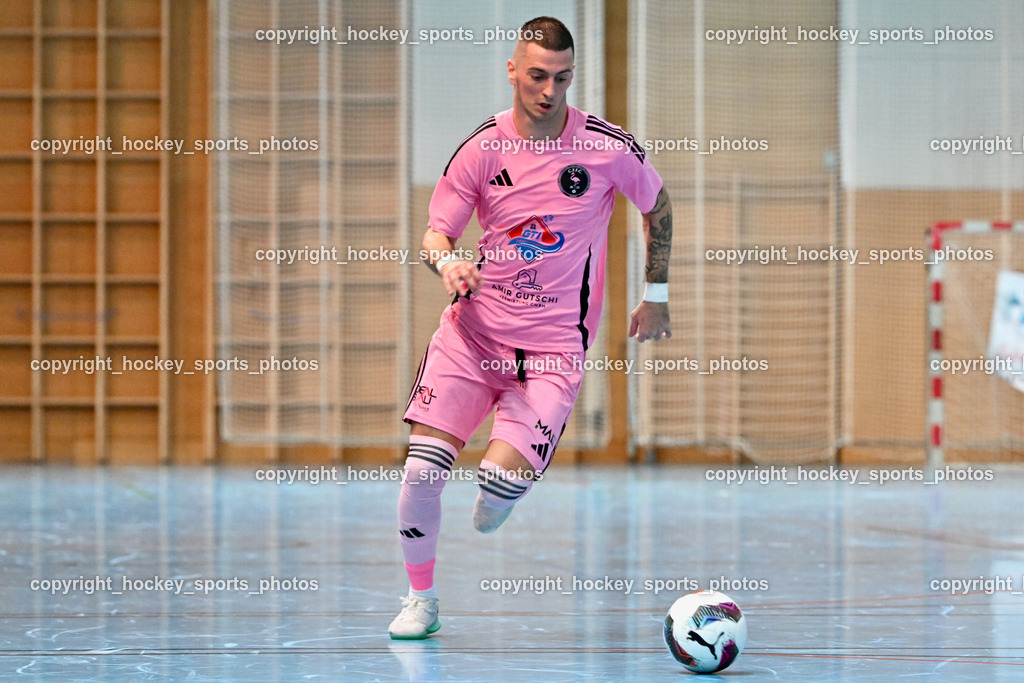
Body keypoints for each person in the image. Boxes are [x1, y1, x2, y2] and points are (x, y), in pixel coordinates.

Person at [389, 15, 672, 639]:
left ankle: (500, 491)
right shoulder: (483, 147)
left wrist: (656, 295)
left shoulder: (604, 146)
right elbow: (436, 233)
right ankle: (421, 600)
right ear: (513, 70)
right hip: (471, 339)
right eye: (538, 76)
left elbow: (657, 205)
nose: (549, 91)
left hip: (551, 353)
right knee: (422, 471)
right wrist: (449, 260)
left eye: (563, 78)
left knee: (496, 491)